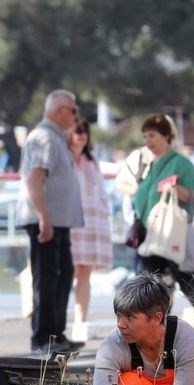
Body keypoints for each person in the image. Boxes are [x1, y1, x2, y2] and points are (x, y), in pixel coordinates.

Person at [132, 114, 194, 352]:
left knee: (186, 283)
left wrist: (176, 188)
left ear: (166, 136)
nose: (148, 140)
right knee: (150, 285)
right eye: (145, 136)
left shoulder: (181, 163)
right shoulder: (147, 163)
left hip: (174, 235)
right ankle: (155, 334)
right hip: (151, 235)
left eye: (152, 135)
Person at [16, 90, 84, 353]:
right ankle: (43, 337)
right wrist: (44, 217)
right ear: (59, 111)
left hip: (56, 221)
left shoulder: (55, 138)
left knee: (62, 275)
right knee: (47, 278)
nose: (76, 116)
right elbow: (34, 181)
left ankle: (56, 333)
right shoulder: (44, 137)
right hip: (45, 220)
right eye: (73, 110)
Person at [68, 117, 111, 343]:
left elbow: (101, 195)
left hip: (91, 223)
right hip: (70, 223)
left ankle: (80, 323)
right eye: (77, 131)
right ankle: (60, 323)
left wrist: (104, 217)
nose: (81, 135)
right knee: (66, 275)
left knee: (84, 274)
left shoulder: (91, 162)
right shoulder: (64, 159)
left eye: (84, 130)